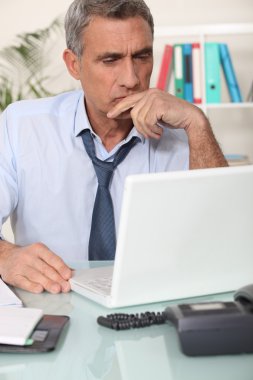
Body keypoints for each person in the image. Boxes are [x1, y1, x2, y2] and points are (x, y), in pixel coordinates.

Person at [0, 0, 227, 294]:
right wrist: (5, 257)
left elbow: (222, 241)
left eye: (142, 56)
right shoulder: (21, 126)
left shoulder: (186, 134)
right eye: (111, 60)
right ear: (74, 64)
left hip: (154, 304)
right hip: (52, 303)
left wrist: (197, 123)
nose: (131, 79)